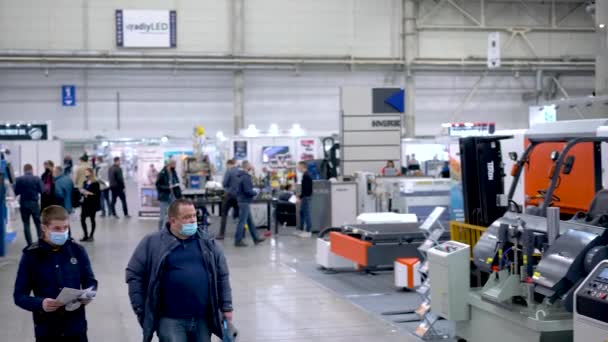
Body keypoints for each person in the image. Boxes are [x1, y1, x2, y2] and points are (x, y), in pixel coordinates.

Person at [126, 198, 233, 342]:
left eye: (194, 215)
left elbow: (222, 276)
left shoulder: (208, 243)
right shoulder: (152, 243)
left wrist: (227, 307)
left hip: (202, 318)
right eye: (186, 217)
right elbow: (134, 274)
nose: (192, 220)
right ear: (173, 220)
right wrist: (141, 308)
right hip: (170, 320)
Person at [13, 205, 98, 342]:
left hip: (76, 328)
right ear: (44, 228)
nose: (63, 232)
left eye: (65, 227)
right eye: (57, 229)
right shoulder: (31, 255)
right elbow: (19, 296)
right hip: (47, 330)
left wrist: (88, 294)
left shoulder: (78, 250)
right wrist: (40, 303)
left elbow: (90, 281)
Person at [233, 161, 265, 247]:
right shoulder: (246, 177)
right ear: (247, 166)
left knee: (250, 222)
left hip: (241, 200)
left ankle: (256, 238)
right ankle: (238, 240)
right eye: (251, 165)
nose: (252, 166)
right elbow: (247, 190)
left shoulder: (239, 176)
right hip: (244, 201)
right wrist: (255, 192)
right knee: (242, 222)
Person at [14, 164, 44, 246]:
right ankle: (40, 241)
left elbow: (16, 192)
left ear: (24, 170)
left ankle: (29, 244)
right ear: (32, 169)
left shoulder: (19, 179)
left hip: (24, 203)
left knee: (26, 224)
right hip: (34, 203)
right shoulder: (37, 178)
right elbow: (42, 190)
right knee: (38, 223)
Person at [156, 159, 182, 230]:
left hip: (173, 196)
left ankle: (170, 229)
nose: (175, 165)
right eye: (174, 164)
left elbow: (176, 181)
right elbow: (158, 185)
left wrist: (178, 188)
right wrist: (167, 187)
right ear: (170, 164)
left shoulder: (173, 172)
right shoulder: (162, 173)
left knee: (173, 214)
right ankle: (160, 231)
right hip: (164, 196)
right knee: (162, 215)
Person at [218, 159, 239, 240]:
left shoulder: (229, 171)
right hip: (238, 197)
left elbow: (224, 183)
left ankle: (221, 234)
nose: (226, 167)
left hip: (229, 196)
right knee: (240, 216)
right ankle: (241, 234)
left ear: (229, 164)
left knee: (224, 215)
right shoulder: (239, 171)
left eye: (226, 165)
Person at [79, 168, 101, 242]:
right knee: (82, 218)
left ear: (91, 173)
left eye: (87, 172)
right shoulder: (85, 182)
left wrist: (87, 193)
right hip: (85, 203)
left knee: (92, 219)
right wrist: (82, 192)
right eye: (85, 172)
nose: (85, 174)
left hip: (92, 203)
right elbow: (83, 190)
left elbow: (97, 194)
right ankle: (85, 235)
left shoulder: (95, 183)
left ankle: (91, 235)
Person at [297, 161, 314, 238]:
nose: (298, 168)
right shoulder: (305, 175)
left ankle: (308, 231)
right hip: (305, 197)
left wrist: (300, 197)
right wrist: (300, 196)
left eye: (298, 167)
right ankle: (301, 229)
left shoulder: (306, 176)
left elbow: (306, 189)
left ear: (302, 166)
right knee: (302, 212)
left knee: (306, 214)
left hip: (306, 197)